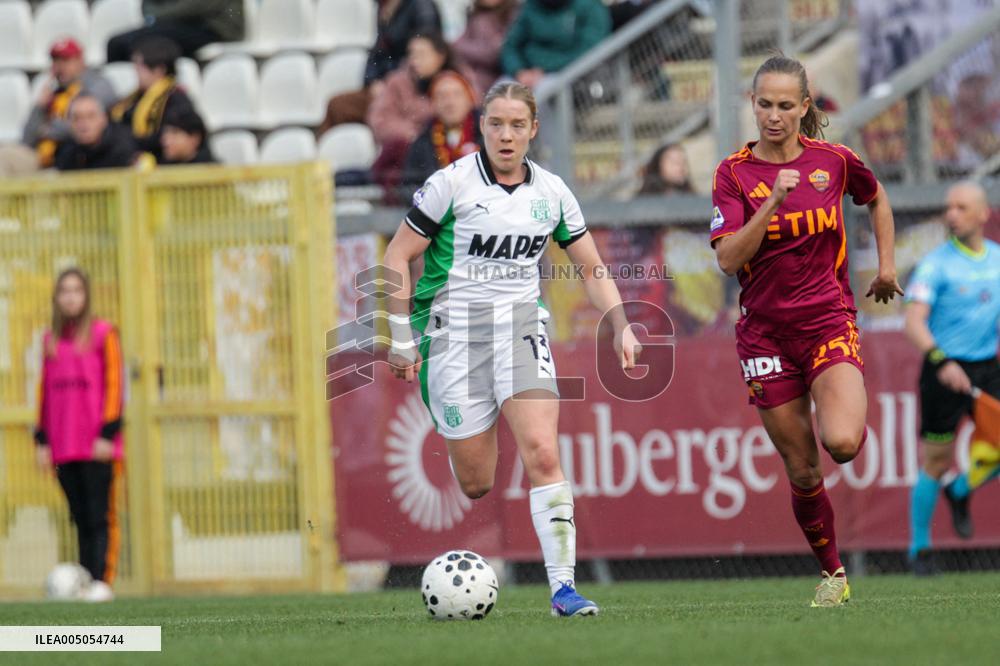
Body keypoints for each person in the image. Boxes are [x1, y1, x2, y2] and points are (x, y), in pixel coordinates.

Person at [383, 81, 641, 617]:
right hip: (451, 338)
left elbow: (591, 266)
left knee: (543, 453)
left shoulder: (552, 192)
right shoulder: (448, 184)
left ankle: (563, 590)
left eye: (517, 125)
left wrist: (620, 324)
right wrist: (401, 337)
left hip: (521, 328)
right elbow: (396, 255)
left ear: (533, 130)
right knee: (476, 482)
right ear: (482, 127)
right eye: (496, 124)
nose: (506, 135)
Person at [709, 55, 902, 607]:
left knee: (841, 443)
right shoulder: (733, 173)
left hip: (826, 320)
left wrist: (886, 267)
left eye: (785, 105)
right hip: (765, 336)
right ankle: (834, 574)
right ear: (753, 104)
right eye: (764, 104)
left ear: (804, 107)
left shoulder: (835, 161)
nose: (774, 116)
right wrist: (771, 201)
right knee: (802, 465)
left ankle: (846, 392)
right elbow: (727, 260)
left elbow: (877, 198)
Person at [903, 181, 1000, 575]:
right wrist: (942, 362)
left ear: (983, 214)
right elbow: (913, 322)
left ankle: (960, 492)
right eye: (948, 207)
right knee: (937, 460)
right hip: (942, 371)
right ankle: (919, 550)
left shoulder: (997, 259)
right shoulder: (935, 264)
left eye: (961, 207)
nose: (951, 214)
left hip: (987, 369)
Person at [34, 267, 125, 602]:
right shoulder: (50, 341)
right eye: (64, 291)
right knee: (80, 518)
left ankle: (102, 581)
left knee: (100, 514)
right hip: (63, 445)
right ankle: (86, 580)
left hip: (96, 444)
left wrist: (108, 432)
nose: (70, 296)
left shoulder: (104, 333)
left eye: (76, 290)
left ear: (86, 295)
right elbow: (44, 393)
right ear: (57, 298)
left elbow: (116, 386)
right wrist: (42, 440)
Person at [318, 0, 442, 134]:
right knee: (337, 105)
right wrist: (372, 80)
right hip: (386, 84)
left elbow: (424, 53)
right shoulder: (385, 8)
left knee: (343, 107)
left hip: (405, 87)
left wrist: (389, 82)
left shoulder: (421, 7)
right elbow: (377, 51)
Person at [367, 33, 465, 192]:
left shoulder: (458, 80)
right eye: (411, 54)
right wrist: (416, 134)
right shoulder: (398, 81)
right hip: (412, 151)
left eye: (422, 54)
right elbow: (380, 120)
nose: (414, 60)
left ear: (440, 56)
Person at [22, 38, 117, 168]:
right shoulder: (52, 93)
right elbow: (26, 139)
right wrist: (39, 107)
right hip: (41, 156)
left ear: (80, 61)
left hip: (76, 156)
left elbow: (85, 126)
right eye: (55, 61)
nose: (60, 67)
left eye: (66, 60)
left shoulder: (97, 85)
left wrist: (45, 129)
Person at [111, 36, 196, 161]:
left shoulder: (176, 100)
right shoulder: (133, 98)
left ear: (159, 70)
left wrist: (126, 141)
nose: (136, 73)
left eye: (140, 68)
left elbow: (165, 138)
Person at [500, 0, 611, 88]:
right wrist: (519, 71)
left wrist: (544, 69)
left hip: (569, 74)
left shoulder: (590, 5)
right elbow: (510, 46)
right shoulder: (531, 6)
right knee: (500, 90)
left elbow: (588, 50)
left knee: (543, 91)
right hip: (528, 72)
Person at [401, 71, 482, 190]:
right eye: (442, 96)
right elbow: (410, 187)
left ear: (470, 99)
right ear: (433, 104)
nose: (450, 103)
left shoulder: (486, 135)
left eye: (457, 95)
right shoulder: (422, 144)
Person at [107, 0, 245, 62]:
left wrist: (156, 15)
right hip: (178, 24)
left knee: (127, 43)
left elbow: (196, 6)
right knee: (116, 43)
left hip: (213, 28)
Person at [452, 0, 520, 96]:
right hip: (473, 72)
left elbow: (495, 53)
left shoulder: (514, 13)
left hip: (501, 74)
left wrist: (465, 48)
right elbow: (455, 46)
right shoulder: (476, 15)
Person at [54, 95, 137, 171]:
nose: (83, 124)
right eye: (77, 118)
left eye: (90, 117)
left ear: (104, 119)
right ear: (68, 123)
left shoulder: (124, 151)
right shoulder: (65, 154)